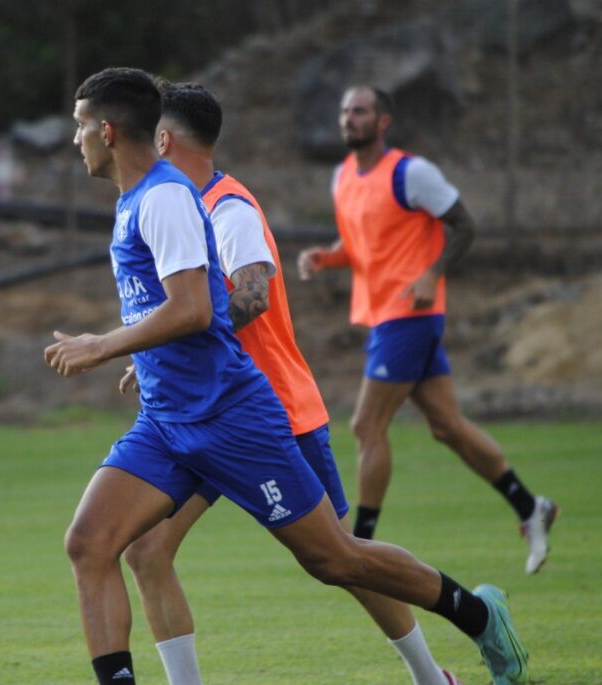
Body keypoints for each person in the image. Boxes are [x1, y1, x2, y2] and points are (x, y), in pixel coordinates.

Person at [46, 67, 528, 685]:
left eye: (82, 125)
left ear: (111, 131)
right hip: (170, 421)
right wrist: (150, 360)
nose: (77, 138)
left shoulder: (177, 199)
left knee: (336, 558)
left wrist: (105, 346)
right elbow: (181, 309)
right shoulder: (138, 200)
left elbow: (206, 306)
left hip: (238, 416)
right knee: (94, 543)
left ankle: (475, 616)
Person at [117, 80, 461, 685]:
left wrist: (163, 338)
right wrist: (156, 351)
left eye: (150, 136)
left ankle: (436, 672)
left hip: (271, 409)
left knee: (342, 560)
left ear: (165, 139)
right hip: (200, 415)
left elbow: (250, 294)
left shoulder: (228, 207)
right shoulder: (171, 205)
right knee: (145, 550)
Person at [297, 86, 558, 574]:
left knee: (365, 425)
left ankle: (363, 547)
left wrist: (432, 274)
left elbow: (466, 225)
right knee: (448, 427)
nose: (349, 119)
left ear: (383, 121)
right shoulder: (343, 178)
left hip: (410, 316)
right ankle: (531, 507)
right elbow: (360, 246)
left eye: (360, 111)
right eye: (344, 111)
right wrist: (327, 257)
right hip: (384, 317)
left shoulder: (411, 173)